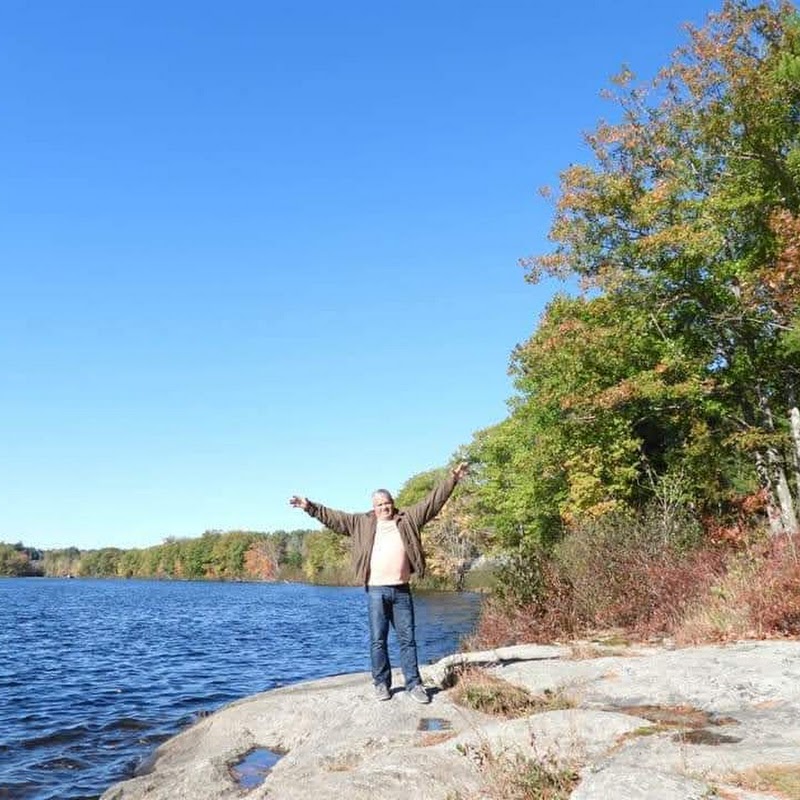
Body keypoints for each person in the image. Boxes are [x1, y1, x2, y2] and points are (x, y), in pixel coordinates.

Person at [289, 461, 469, 704]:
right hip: (376, 592)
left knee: (408, 640)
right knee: (378, 640)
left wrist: (453, 479)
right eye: (380, 504)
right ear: (373, 508)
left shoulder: (408, 519)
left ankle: (414, 685)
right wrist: (309, 507)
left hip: (402, 591)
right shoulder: (361, 523)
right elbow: (333, 518)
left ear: (392, 503)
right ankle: (382, 684)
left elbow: (432, 502)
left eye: (387, 503)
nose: (385, 507)